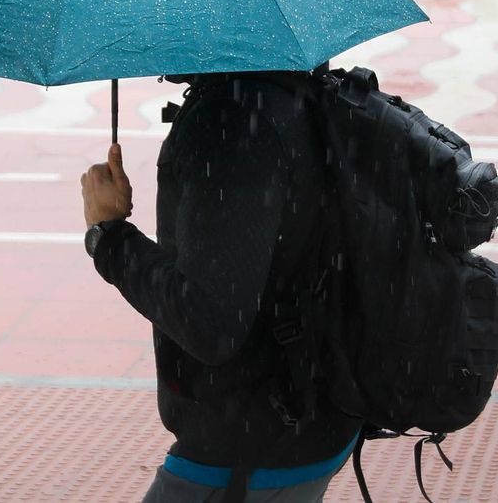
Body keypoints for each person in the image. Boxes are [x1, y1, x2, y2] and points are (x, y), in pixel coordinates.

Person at [81, 70, 360, 503]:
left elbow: (210, 322)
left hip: (252, 446)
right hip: (310, 410)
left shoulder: (232, 122)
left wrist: (109, 236)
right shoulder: (289, 89)